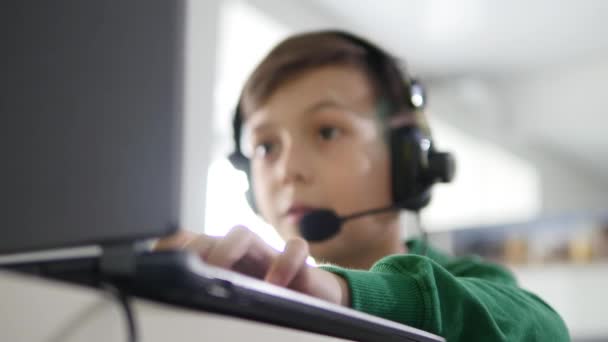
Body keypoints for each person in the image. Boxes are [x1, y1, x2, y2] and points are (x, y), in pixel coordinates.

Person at [156, 30, 569, 341]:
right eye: (266, 146)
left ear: (408, 161)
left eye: (328, 132)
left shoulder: (469, 281)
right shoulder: (264, 295)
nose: (288, 170)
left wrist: (343, 293)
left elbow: (545, 329)